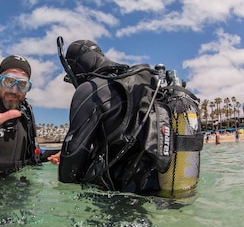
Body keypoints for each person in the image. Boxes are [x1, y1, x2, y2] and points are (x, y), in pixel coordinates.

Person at [49, 39, 203, 197]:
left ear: (76, 68)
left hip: (122, 198)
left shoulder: (92, 89)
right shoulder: (140, 82)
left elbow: (70, 168)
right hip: (163, 187)